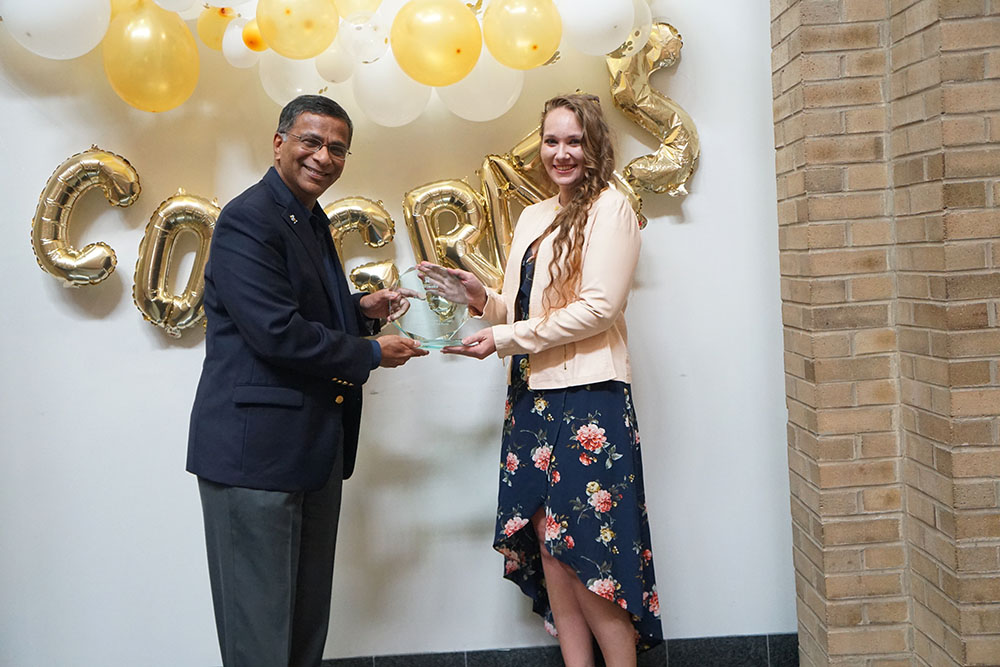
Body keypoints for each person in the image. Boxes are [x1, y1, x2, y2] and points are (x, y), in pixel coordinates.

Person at [421, 93, 662, 666]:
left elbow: (599, 309)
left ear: (595, 145)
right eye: (551, 141)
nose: (561, 153)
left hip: (590, 401)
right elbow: (528, 311)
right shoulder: (533, 215)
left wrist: (505, 338)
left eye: (574, 141)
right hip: (530, 400)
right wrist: (483, 299)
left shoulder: (612, 209)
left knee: (591, 558)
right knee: (552, 548)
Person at [187, 94, 427, 667]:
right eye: (311, 141)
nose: (324, 156)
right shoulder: (249, 219)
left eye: (337, 148)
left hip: (309, 452)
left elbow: (298, 308)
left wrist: (362, 308)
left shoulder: (306, 215)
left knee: (301, 631)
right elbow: (275, 332)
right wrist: (369, 351)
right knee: (260, 637)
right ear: (279, 143)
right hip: (255, 459)